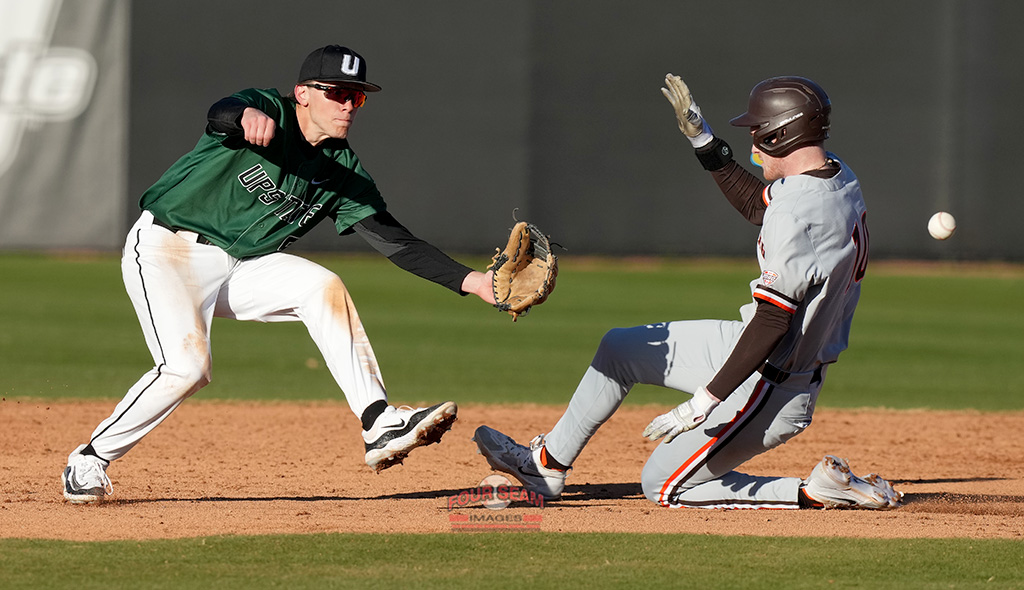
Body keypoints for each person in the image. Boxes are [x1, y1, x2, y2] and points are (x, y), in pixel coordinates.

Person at [61, 45, 497, 504]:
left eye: (357, 97)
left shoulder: (343, 171)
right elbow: (221, 114)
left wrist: (474, 282)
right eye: (336, 93)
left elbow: (396, 241)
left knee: (320, 285)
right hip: (168, 248)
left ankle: (378, 423)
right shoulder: (269, 109)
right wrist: (242, 116)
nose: (347, 105)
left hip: (242, 266)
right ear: (303, 93)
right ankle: (89, 458)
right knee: (188, 368)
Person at [473, 74, 903, 510]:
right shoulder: (837, 174)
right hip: (756, 352)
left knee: (662, 485)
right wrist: (704, 140)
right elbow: (759, 205)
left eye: (757, 130)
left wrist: (703, 401)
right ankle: (546, 464)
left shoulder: (798, 214)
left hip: (772, 384)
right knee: (619, 349)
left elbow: (775, 318)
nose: (752, 142)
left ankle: (813, 492)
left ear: (780, 132)